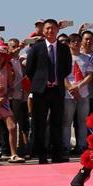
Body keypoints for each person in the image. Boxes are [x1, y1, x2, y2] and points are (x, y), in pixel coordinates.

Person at [25, 19, 72, 163]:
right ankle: (42, 155)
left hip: (57, 90)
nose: (50, 31)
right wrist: (41, 81)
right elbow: (29, 70)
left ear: (58, 30)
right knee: (39, 124)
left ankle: (57, 155)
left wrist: (56, 79)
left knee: (57, 122)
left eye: (53, 28)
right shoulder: (36, 48)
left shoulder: (64, 48)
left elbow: (67, 68)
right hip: (41, 92)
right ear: (43, 31)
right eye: (47, 29)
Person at [63, 33, 93, 155]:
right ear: (69, 43)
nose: (75, 43)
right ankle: (65, 146)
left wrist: (78, 86)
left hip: (83, 94)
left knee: (82, 121)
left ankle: (81, 145)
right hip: (68, 94)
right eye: (73, 41)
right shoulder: (65, 58)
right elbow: (62, 76)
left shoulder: (87, 58)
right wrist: (71, 88)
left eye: (77, 41)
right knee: (67, 121)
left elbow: (89, 76)